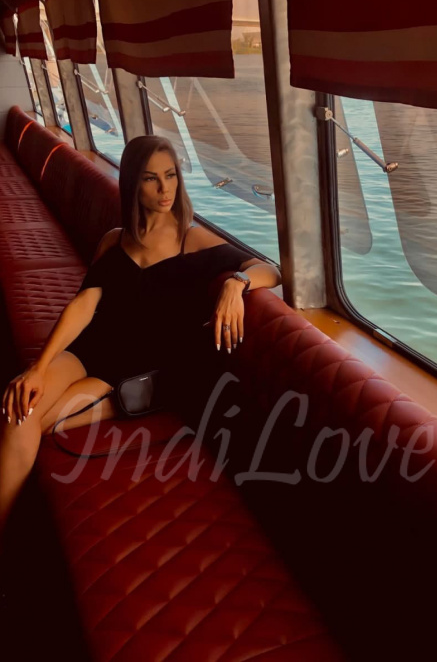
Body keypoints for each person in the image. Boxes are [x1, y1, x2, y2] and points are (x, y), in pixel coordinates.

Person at [0, 135, 281, 542]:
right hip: (88, 350)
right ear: (133, 183)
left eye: (171, 175)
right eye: (151, 179)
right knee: (18, 408)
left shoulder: (191, 240)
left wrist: (236, 284)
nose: (165, 188)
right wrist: (38, 368)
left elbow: (271, 269)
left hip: (128, 372)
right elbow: (84, 304)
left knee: (25, 419)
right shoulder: (114, 239)